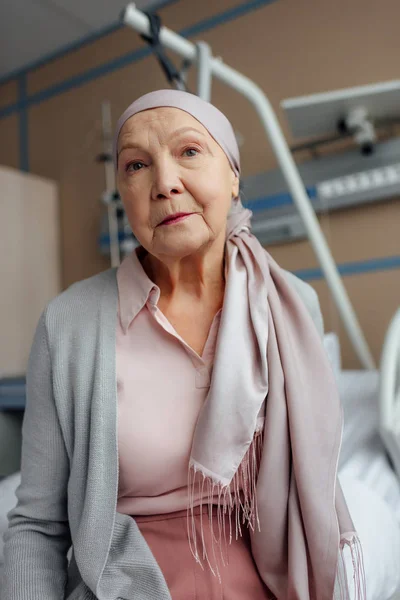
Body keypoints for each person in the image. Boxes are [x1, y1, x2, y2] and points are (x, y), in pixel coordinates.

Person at [1, 90, 365, 600]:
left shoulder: (292, 308)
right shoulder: (69, 327)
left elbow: (315, 488)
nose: (165, 183)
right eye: (136, 165)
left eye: (189, 152)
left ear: (233, 176)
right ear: (123, 193)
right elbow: (37, 526)